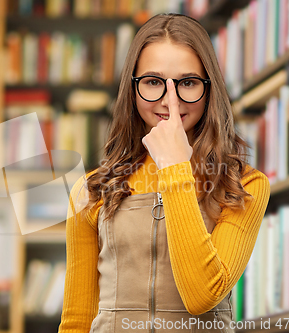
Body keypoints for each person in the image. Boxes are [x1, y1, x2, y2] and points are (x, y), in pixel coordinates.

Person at [57, 13, 270, 333]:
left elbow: (202, 295)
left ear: (209, 89)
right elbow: (76, 320)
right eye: (154, 82)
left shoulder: (245, 185)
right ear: (132, 89)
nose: (171, 102)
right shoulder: (91, 189)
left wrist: (174, 167)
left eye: (187, 83)